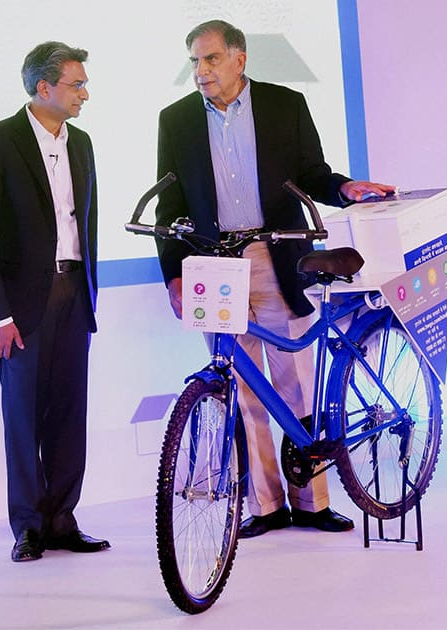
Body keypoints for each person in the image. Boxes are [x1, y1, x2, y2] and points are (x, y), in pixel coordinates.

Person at [155, 20, 395, 538]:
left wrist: (345, 187)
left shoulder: (285, 105)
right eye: (195, 61)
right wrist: (173, 274)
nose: (201, 71)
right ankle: (265, 505)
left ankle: (311, 501)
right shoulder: (174, 120)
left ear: (240, 59)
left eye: (211, 59)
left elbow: (312, 172)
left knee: (293, 379)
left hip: (276, 254)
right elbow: (169, 205)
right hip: (214, 262)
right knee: (240, 386)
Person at [0, 41, 110, 561]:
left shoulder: (83, 143)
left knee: (70, 412)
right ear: (43, 87)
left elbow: (84, 223)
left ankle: (62, 518)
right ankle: (27, 526)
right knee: (22, 417)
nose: (85, 94)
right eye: (76, 84)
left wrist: (90, 292)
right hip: (20, 306)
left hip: (73, 293)